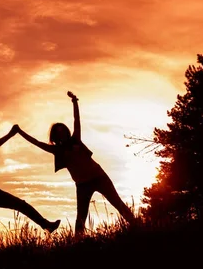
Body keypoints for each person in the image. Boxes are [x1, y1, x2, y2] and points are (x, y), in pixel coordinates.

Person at [16, 91, 137, 238]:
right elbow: (36, 143)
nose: (62, 134)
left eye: (63, 131)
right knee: (81, 217)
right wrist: (19, 132)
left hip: (99, 176)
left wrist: (74, 102)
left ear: (67, 132)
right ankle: (78, 242)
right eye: (58, 133)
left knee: (118, 204)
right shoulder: (56, 150)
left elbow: (76, 120)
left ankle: (139, 227)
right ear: (55, 136)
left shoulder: (76, 139)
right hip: (82, 185)